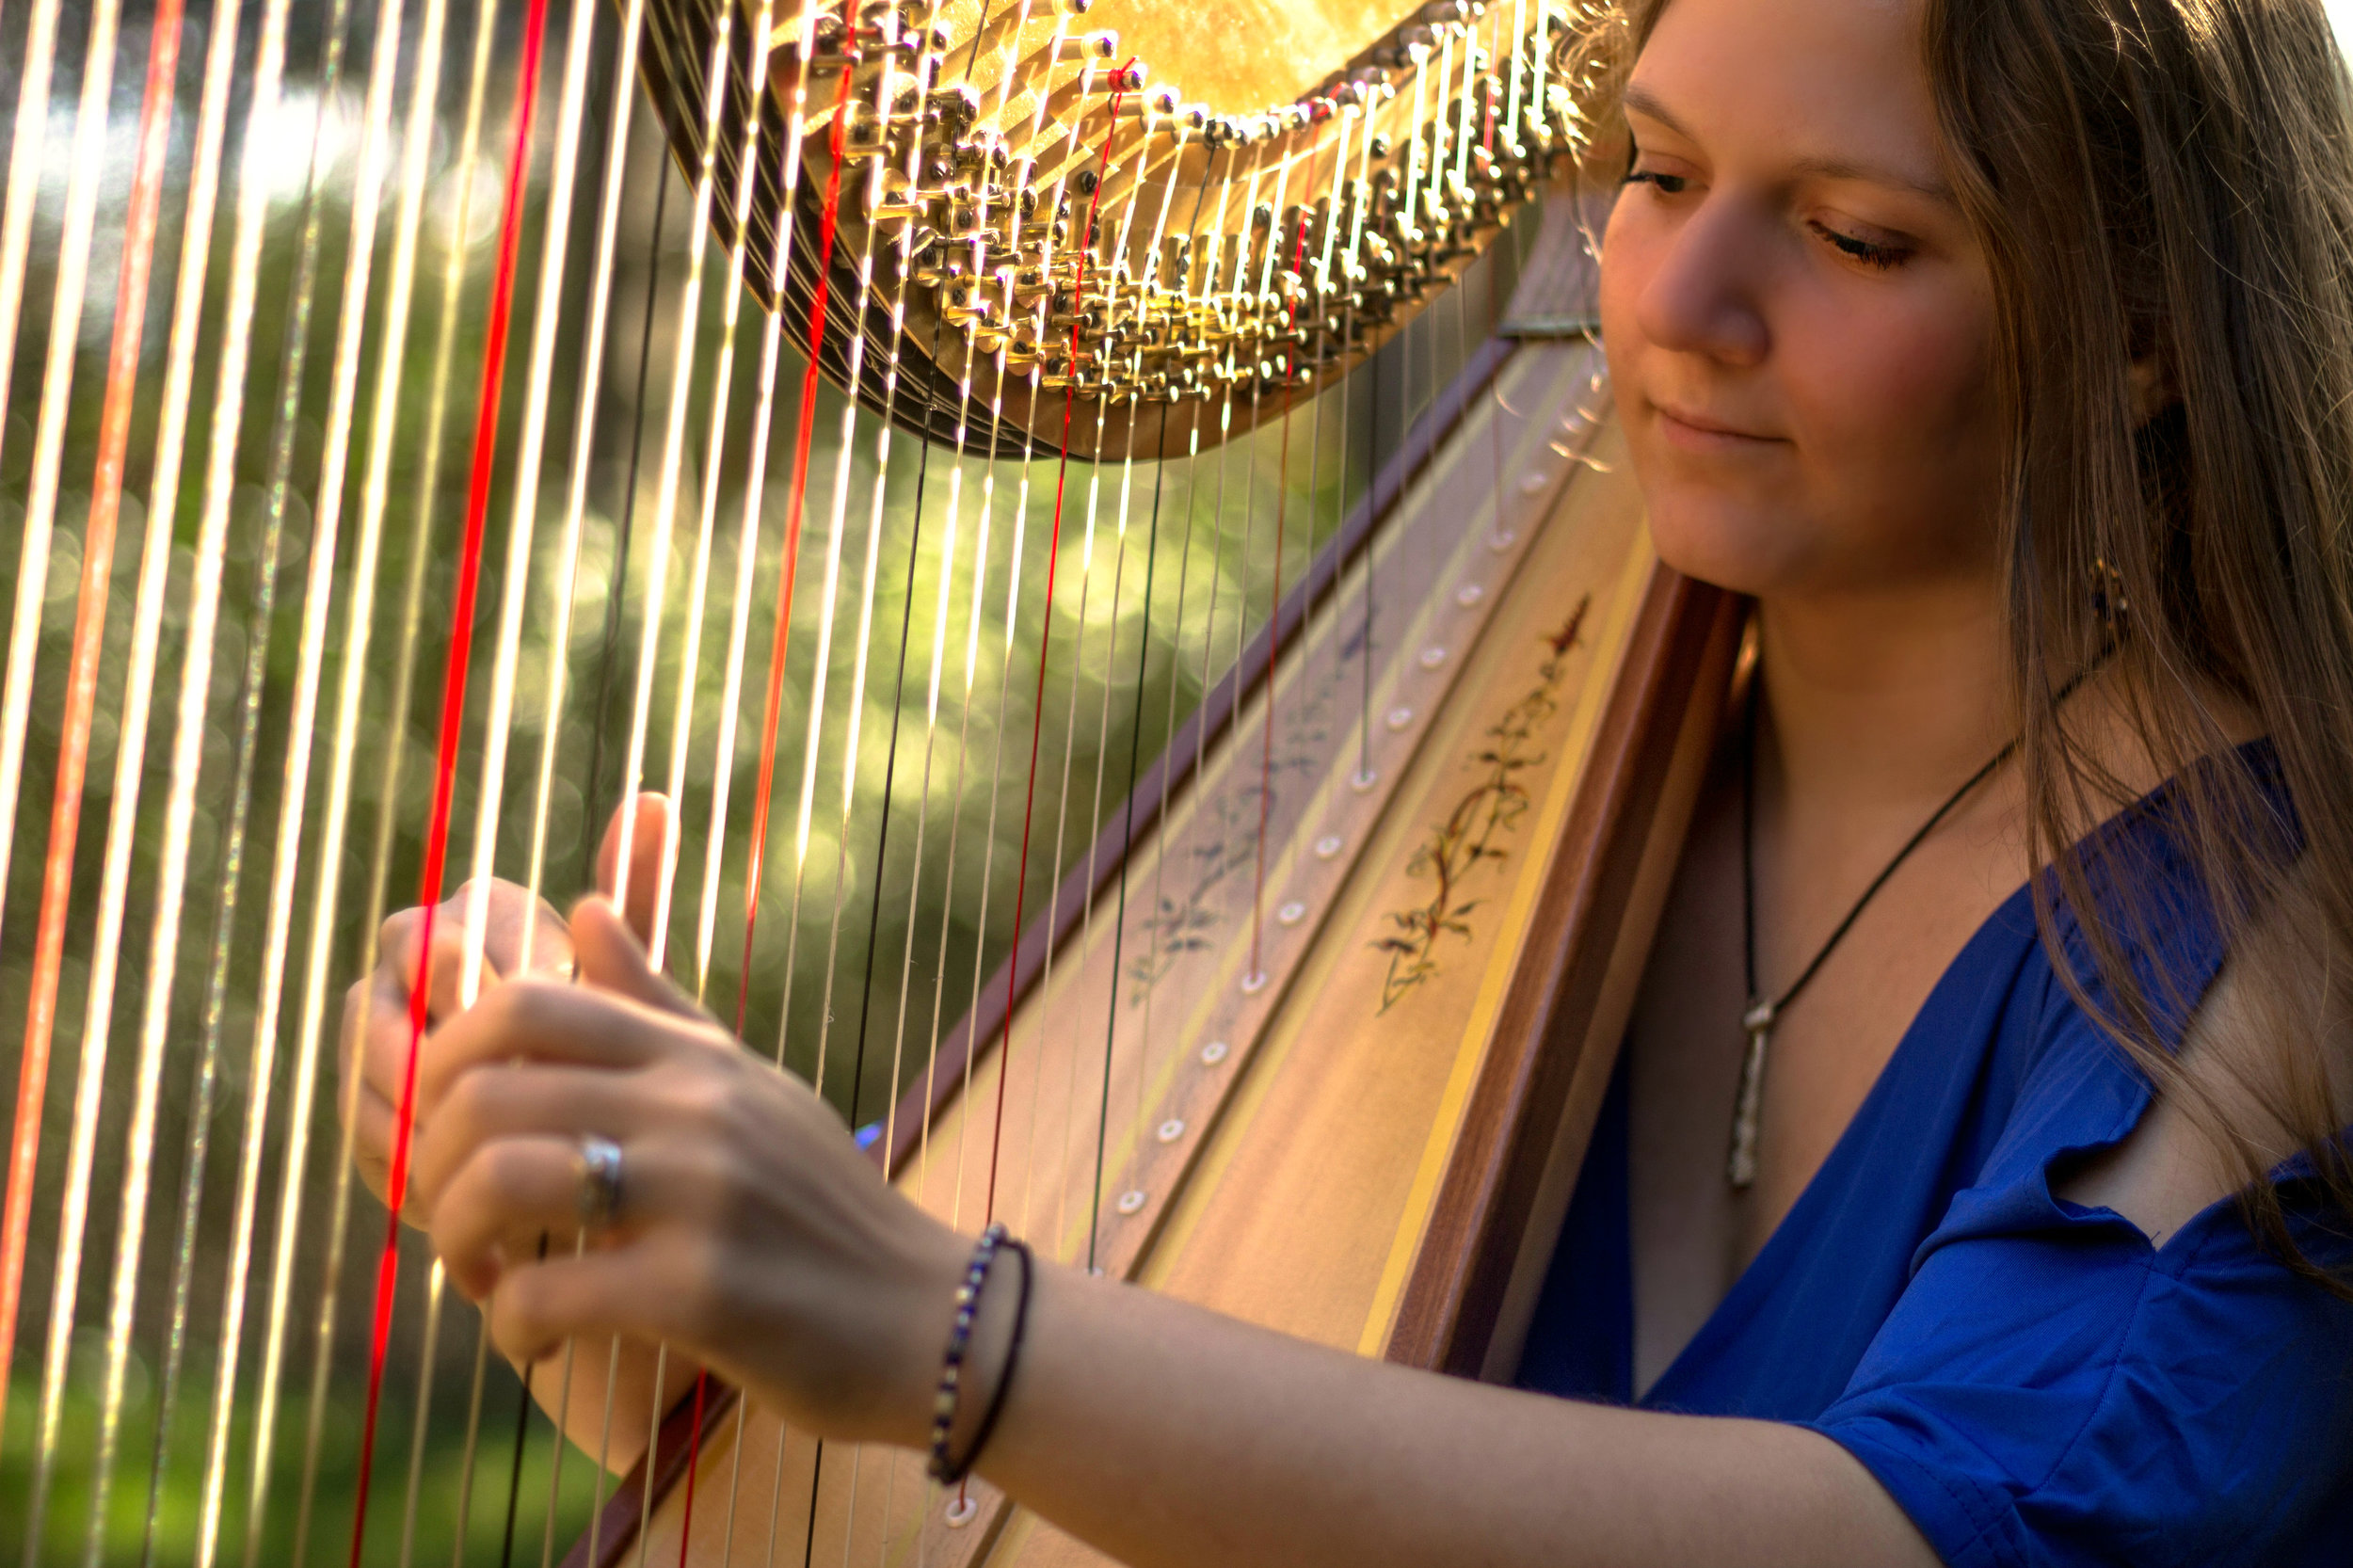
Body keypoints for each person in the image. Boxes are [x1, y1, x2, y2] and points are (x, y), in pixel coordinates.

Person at [343, 0, 2353, 1560]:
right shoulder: (1515, 777)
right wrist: (658, 1259)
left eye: (1846, 233)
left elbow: (1920, 1533)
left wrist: (934, 1323)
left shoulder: (2282, 928)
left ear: (2141, 337)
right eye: (1653, 175)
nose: (1671, 301)